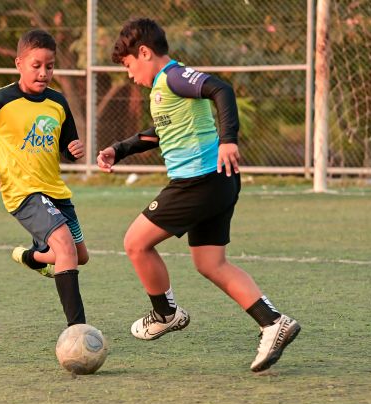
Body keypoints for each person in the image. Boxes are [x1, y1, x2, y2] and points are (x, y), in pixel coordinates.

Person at [97, 18, 300, 372]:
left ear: (144, 52)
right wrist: (120, 149)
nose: (129, 74)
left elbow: (221, 89)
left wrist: (228, 140)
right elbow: (160, 131)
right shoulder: (164, 89)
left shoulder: (174, 76)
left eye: (129, 65)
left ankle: (165, 313)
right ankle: (273, 322)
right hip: (218, 182)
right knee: (210, 263)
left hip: (199, 182)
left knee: (135, 242)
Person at [0, 29, 89, 327]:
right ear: (19, 63)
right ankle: (78, 331)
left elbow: (67, 147)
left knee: (79, 256)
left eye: (50, 66)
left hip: (55, 190)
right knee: (66, 249)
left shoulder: (58, 102)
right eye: (36, 65)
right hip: (24, 193)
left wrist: (74, 149)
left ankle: (33, 257)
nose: (44, 73)